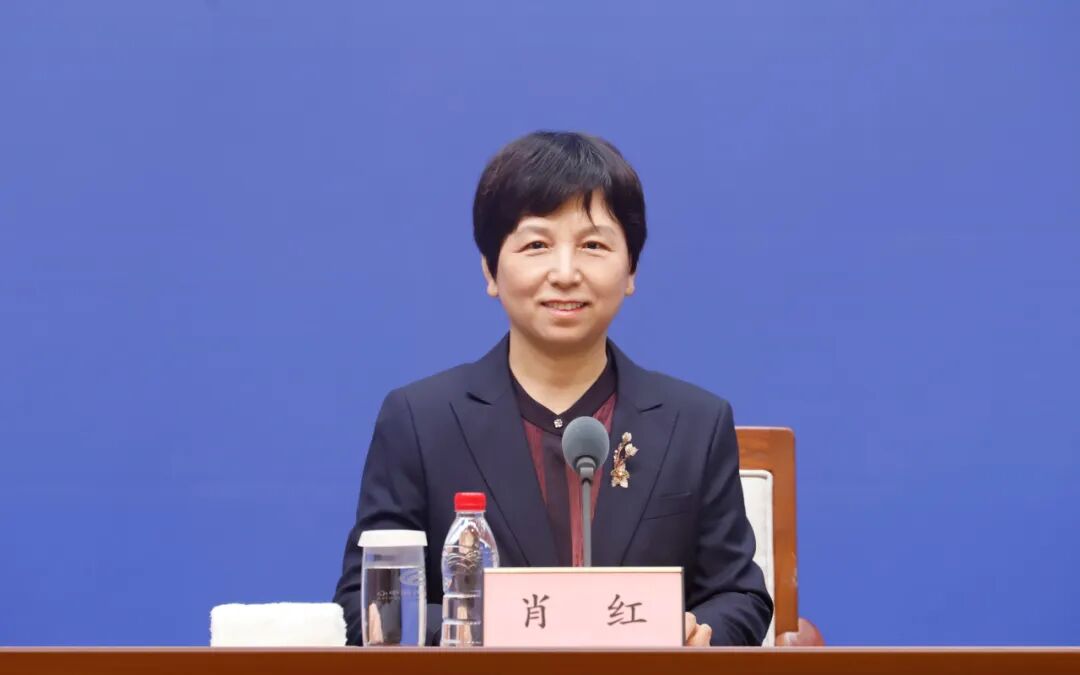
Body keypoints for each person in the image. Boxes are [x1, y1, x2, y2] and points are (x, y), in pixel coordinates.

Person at [333, 131, 773, 646]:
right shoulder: (420, 420)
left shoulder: (694, 423)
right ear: (490, 269)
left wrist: (698, 632)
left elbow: (739, 595)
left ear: (631, 269)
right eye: (536, 245)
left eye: (593, 245)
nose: (565, 273)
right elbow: (370, 604)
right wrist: (495, 631)